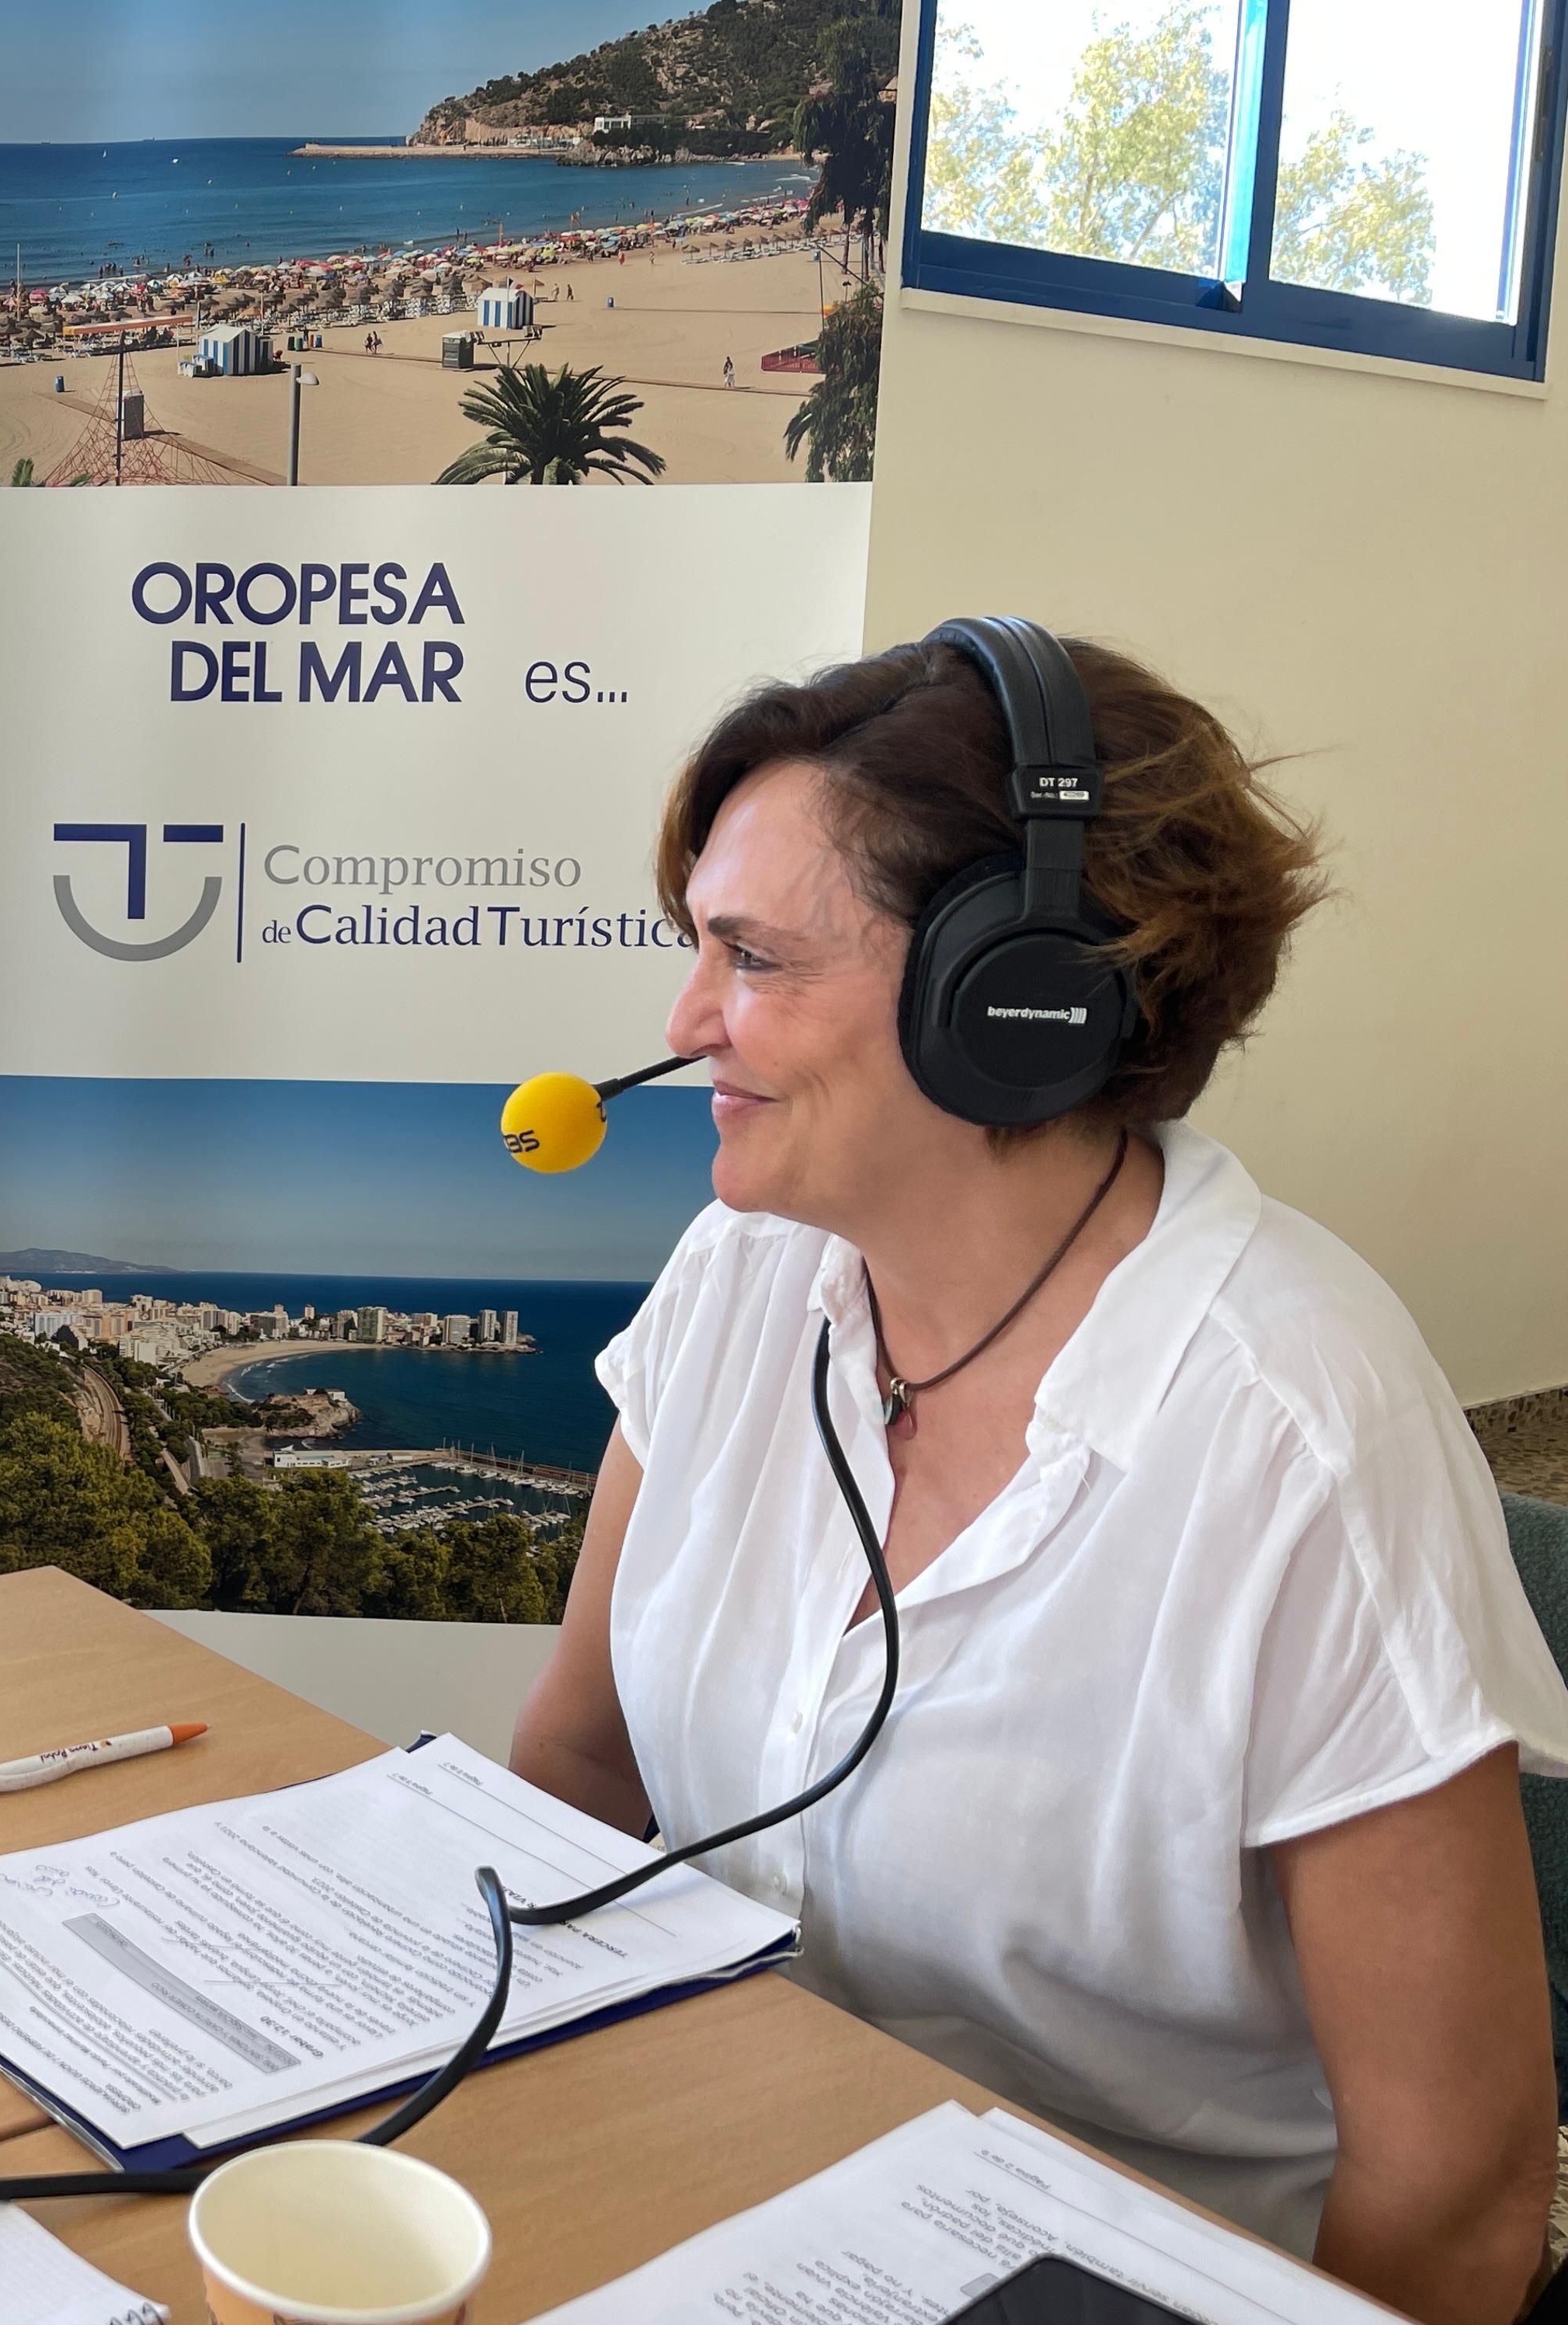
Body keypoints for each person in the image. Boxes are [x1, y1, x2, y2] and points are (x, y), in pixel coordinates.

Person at [509, 634, 1564, 2324]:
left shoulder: (1299, 1436)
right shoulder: (742, 1276)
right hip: (712, 2195)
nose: (687, 1023)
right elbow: (575, 1767)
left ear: (1015, 998)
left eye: (754, 958)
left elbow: (1459, 2191)